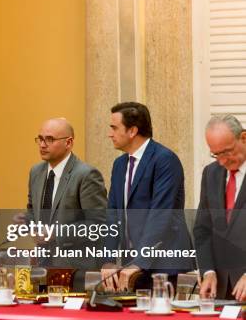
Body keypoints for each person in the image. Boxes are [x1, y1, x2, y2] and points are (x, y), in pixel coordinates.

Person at [104, 102, 193, 290]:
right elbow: (112, 215)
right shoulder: (119, 165)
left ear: (132, 131)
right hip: (133, 266)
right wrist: (108, 261)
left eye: (114, 128)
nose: (109, 134)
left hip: (165, 266)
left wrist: (139, 262)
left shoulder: (165, 159)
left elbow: (160, 214)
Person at [21, 118, 107, 290]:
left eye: (50, 139)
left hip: (76, 269)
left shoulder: (86, 175)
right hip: (43, 268)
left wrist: (55, 233)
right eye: (40, 139)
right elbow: (32, 210)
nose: (42, 145)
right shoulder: (36, 172)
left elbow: (99, 225)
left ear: (68, 143)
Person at [194, 115, 246, 301]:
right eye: (216, 154)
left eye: (227, 152)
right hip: (221, 290)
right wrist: (207, 271)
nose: (222, 161)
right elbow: (202, 230)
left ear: (243, 138)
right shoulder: (211, 173)